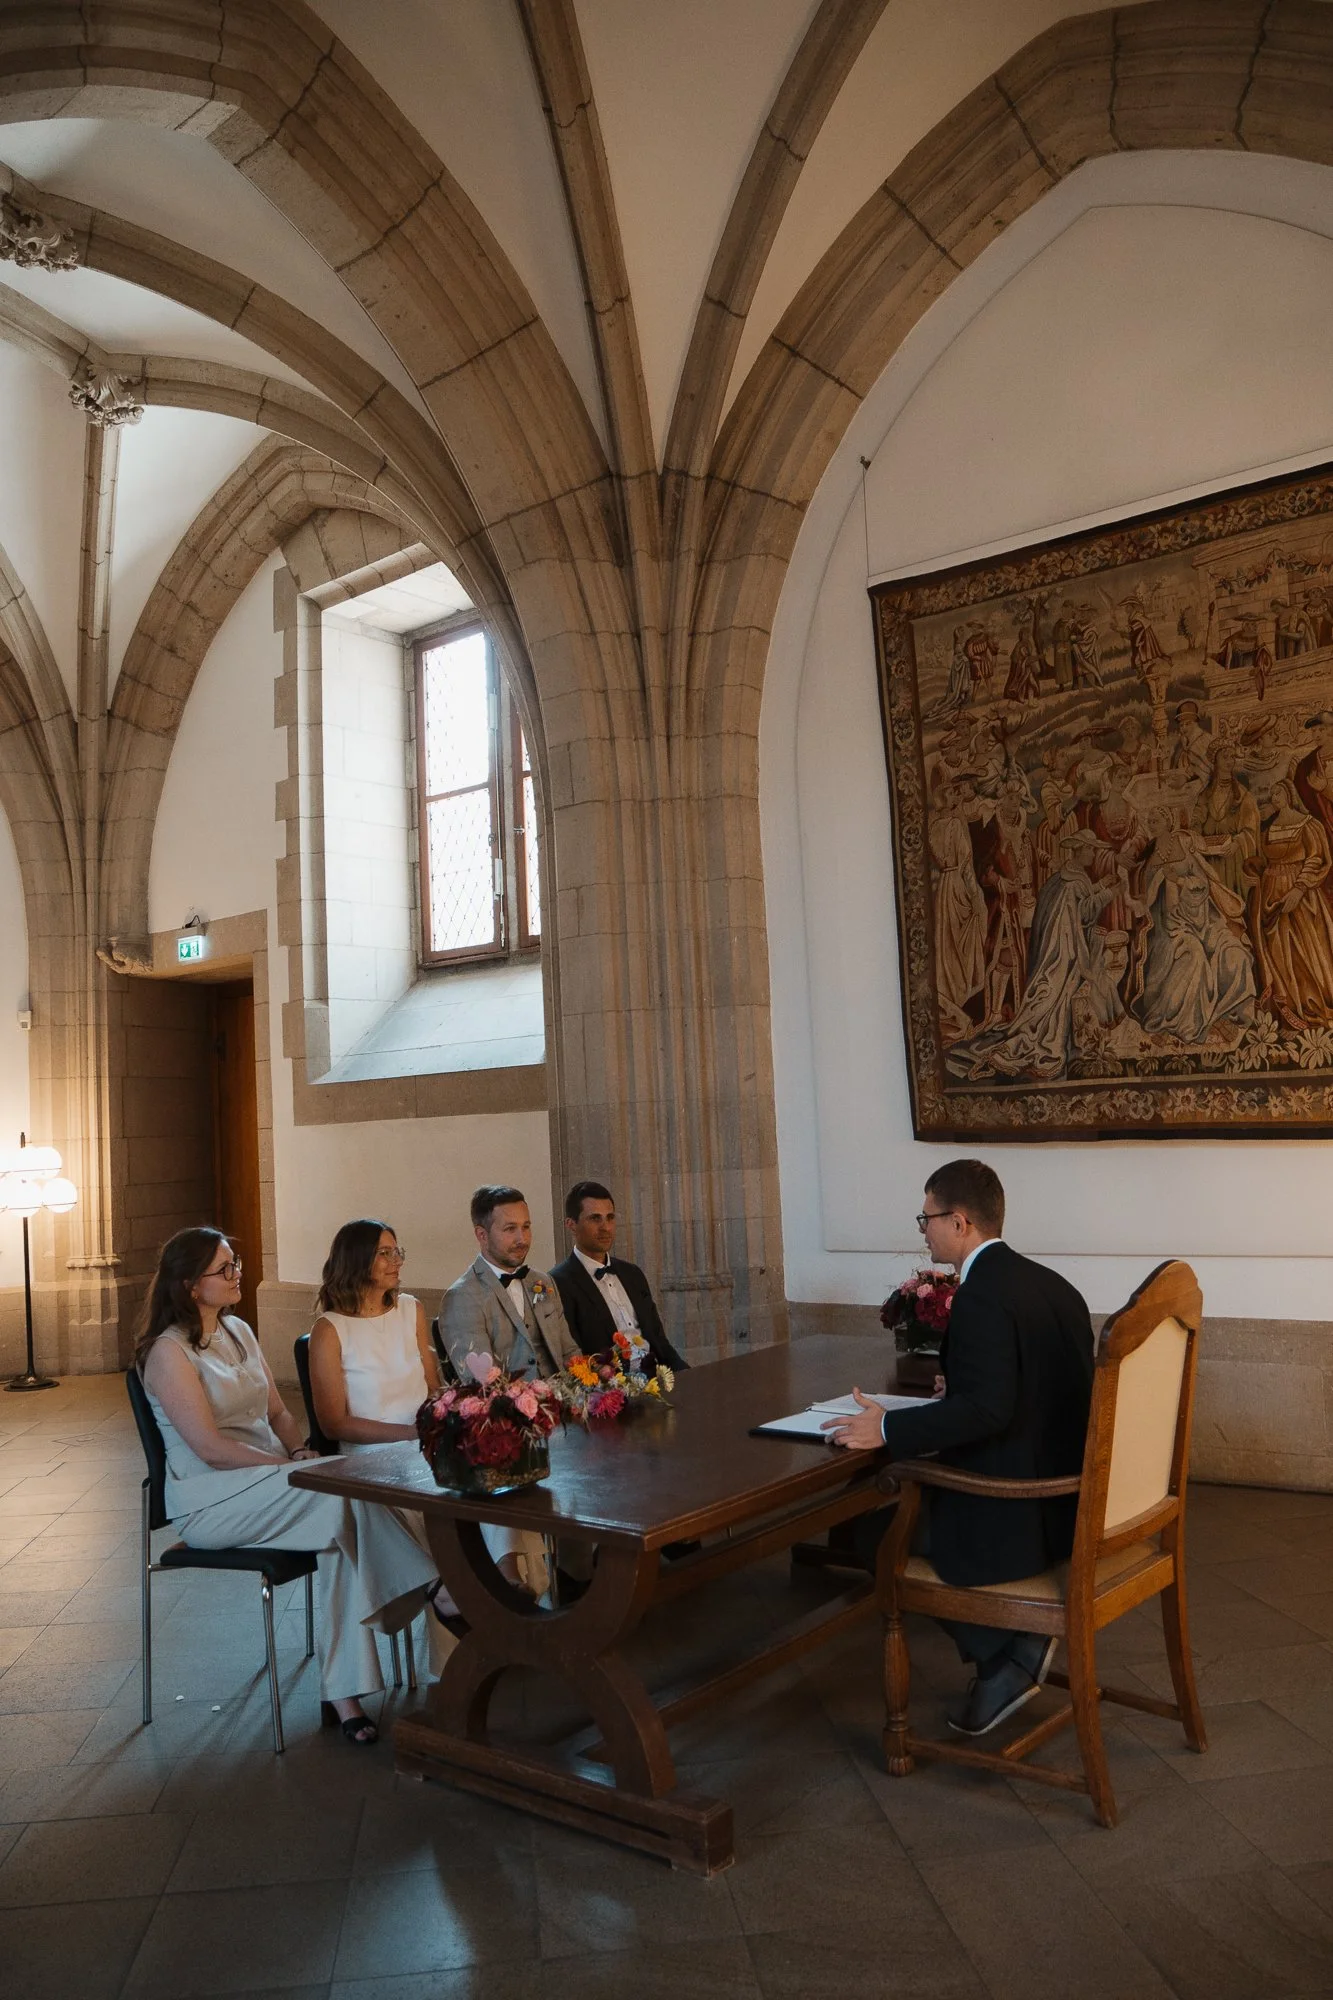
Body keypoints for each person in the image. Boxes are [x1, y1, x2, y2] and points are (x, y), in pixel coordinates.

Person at [137, 1227, 443, 1744]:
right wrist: (285, 1469)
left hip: (268, 1481)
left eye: (236, 1263)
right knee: (342, 1496)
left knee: (341, 1520)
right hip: (211, 1500)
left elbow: (277, 1410)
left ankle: (344, 1693)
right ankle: (438, 1586)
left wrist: (298, 1449)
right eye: (225, 1269)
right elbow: (210, 1449)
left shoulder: (239, 1331)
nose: (238, 1275)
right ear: (190, 1285)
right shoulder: (167, 1353)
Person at [824, 1161, 1094, 1739]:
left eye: (928, 1217)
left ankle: (1004, 1657)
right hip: (1066, 1507)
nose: (923, 1229)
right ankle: (1013, 1647)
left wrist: (887, 1432)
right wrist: (962, 1388)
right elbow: (1044, 1391)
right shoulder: (1053, 1285)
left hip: (1011, 1512)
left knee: (867, 1525)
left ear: (961, 1221)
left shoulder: (979, 1296)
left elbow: (988, 1413)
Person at [311, 1216, 541, 1601]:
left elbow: (435, 1388)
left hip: (423, 1436)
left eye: (397, 1251)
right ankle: (454, 1587)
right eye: (384, 1253)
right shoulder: (329, 1329)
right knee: (448, 1482)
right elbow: (334, 1423)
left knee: (491, 1465)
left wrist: (450, 1421)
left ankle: (506, 1574)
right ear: (355, 1261)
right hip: (372, 1452)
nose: (396, 1260)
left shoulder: (410, 1309)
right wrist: (408, 1434)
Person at [440, 1185, 580, 1381]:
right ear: (482, 1235)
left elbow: (569, 1352)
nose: (522, 1238)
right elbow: (481, 1382)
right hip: (509, 1408)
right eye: (510, 1229)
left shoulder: (543, 1281)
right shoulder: (462, 1297)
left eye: (526, 1227)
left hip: (566, 1401)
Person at [550, 1180, 687, 1372]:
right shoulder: (557, 1283)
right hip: (610, 1390)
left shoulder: (632, 1273)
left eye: (610, 1217)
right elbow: (575, 1359)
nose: (605, 1227)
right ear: (571, 1225)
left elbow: (659, 1341)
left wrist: (688, 1376)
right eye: (595, 1218)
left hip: (659, 1378)